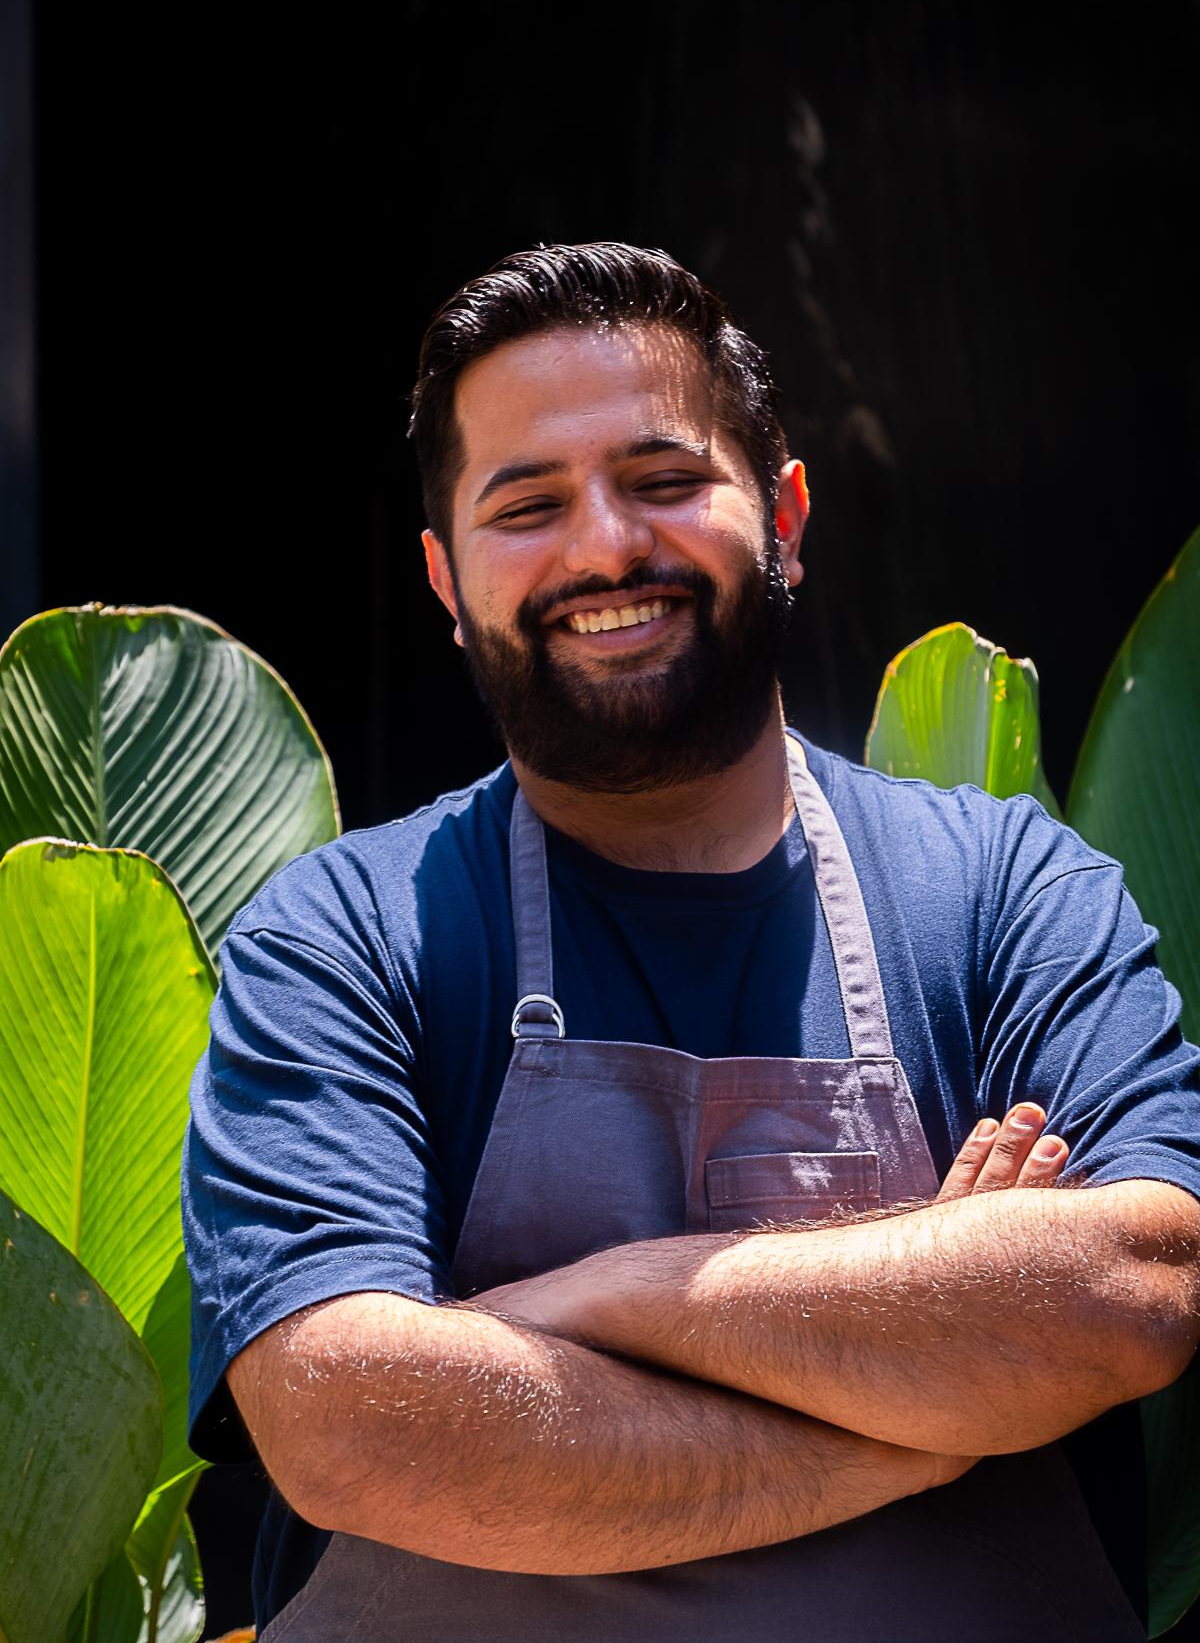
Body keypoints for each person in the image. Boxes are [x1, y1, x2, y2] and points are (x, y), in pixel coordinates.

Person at [184, 242, 1200, 1641]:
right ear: (444, 576)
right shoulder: (344, 940)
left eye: (663, 480)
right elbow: (354, 1420)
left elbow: (1134, 1289)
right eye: (527, 504)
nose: (605, 546)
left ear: (784, 513)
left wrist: (607, 1293)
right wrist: (924, 1411)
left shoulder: (1004, 891)